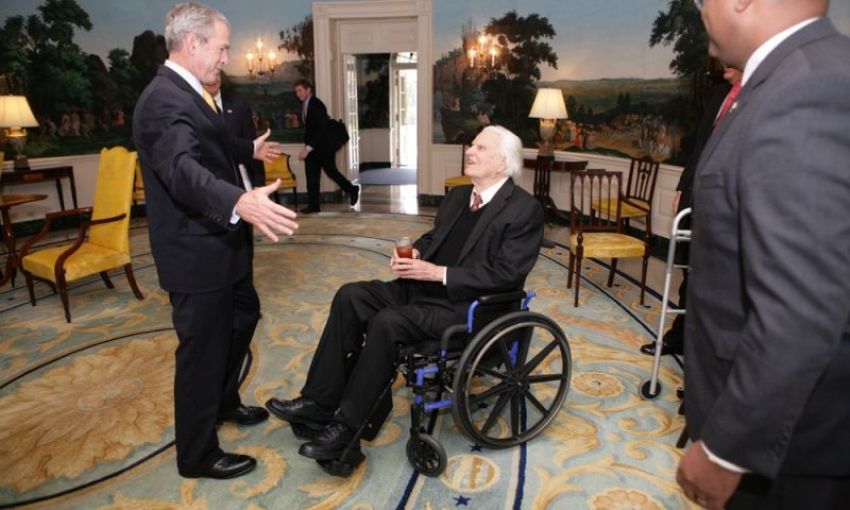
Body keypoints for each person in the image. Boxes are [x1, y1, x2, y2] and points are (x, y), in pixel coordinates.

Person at [266, 125, 544, 463]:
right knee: (350, 295)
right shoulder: (459, 195)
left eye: (480, 148)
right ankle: (318, 403)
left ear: (502, 163)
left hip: (469, 309)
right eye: (471, 145)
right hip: (422, 289)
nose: (470, 151)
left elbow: (506, 275)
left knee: (388, 323)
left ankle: (345, 430)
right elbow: (435, 239)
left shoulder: (523, 209)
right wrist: (413, 255)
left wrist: (439, 273)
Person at [676, 1, 850, 508]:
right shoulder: (788, 77)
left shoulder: (808, 88)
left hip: (789, 455)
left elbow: (802, 306)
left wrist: (728, 450)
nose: (700, 7)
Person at [133, 2, 299, 480]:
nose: (227, 57)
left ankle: (224, 400)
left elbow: (211, 141)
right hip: (196, 251)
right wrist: (238, 201)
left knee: (244, 314)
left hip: (221, 244)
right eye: (222, 47)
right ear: (193, 44)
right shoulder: (163, 99)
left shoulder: (189, 94)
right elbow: (182, 169)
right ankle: (197, 454)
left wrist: (249, 149)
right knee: (201, 353)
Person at [640, 63, 742, 357]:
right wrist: (683, 188)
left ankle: (706, 352)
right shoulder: (719, 95)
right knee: (689, 269)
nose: (723, 63)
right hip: (697, 196)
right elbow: (700, 147)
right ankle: (680, 338)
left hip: (731, 204)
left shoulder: (759, 93)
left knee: (716, 281)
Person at [293, 78, 360, 213]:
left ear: (308, 89)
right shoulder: (306, 104)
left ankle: (352, 189)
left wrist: (308, 148)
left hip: (323, 148)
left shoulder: (316, 104)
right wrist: (308, 146)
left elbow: (321, 128)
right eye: (296, 92)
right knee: (311, 176)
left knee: (331, 172)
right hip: (313, 148)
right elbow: (311, 129)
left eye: (300, 91)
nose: (298, 94)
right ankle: (314, 205)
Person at [204, 74, 265, 188]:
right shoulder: (190, 105)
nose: (212, 78)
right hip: (206, 182)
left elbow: (252, 143)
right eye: (207, 75)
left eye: (215, 74)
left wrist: (259, 182)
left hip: (239, 180)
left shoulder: (239, 105)